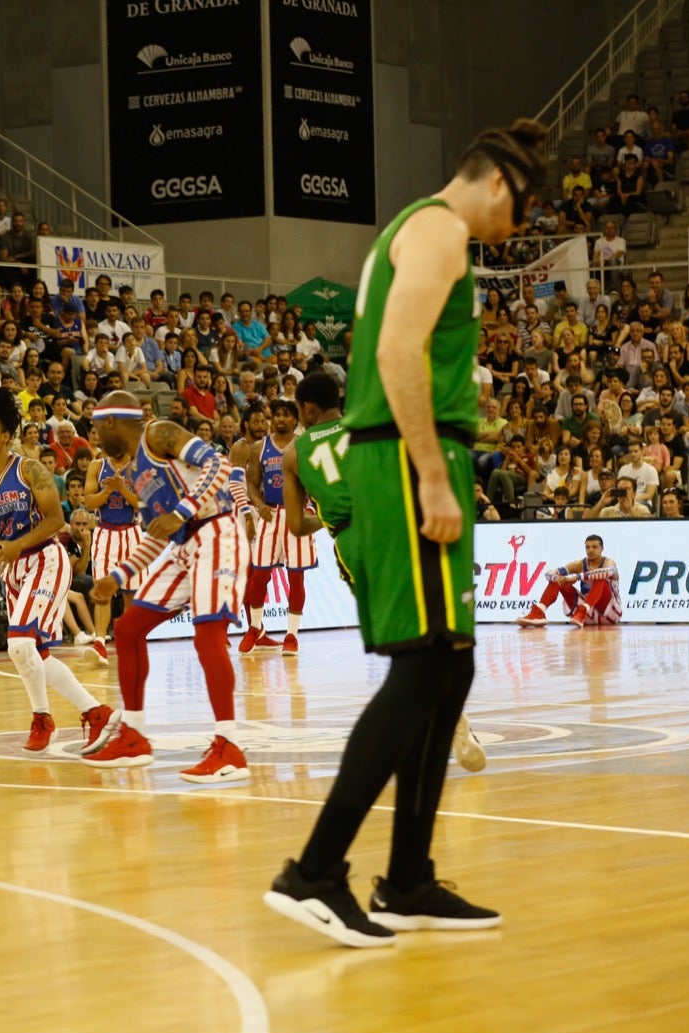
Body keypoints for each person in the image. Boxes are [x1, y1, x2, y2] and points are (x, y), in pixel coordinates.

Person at [262, 119, 545, 947]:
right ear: (498, 182)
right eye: (521, 210)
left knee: (449, 670)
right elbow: (396, 352)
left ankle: (410, 880)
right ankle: (315, 870)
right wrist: (429, 467)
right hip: (401, 465)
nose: (516, 230)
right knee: (421, 672)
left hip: (422, 454)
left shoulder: (424, 230)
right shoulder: (438, 227)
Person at [279, 372, 485, 774]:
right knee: (431, 627)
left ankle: (446, 726)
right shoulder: (369, 422)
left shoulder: (293, 454)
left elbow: (296, 527)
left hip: (355, 543)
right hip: (399, 523)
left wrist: (329, 517)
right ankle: (448, 721)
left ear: (306, 409)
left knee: (401, 643)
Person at [0, 386, 112, 751]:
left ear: (5, 436)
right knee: (35, 655)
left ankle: (43, 717)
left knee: (18, 644)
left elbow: (55, 519)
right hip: (12, 570)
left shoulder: (28, 468)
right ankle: (96, 714)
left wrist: (17, 543)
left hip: (46, 557)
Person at [82, 390, 247, 783]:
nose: (95, 437)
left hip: (216, 533)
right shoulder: (136, 471)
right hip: (183, 544)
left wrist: (181, 512)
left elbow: (219, 464)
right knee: (127, 628)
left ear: (110, 422)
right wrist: (118, 577)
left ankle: (229, 747)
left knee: (207, 637)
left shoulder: (158, 434)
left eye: (95, 428)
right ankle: (134, 735)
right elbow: (158, 533)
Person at [240, 398, 319, 654]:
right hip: (270, 515)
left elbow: (315, 481)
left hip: (297, 515)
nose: (281, 419)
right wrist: (258, 503)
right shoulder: (259, 448)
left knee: (296, 577)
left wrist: (312, 507)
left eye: (286, 415)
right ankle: (254, 628)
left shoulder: (305, 445)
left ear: (295, 419)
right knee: (259, 576)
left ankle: (291, 635)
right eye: (277, 415)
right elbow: (252, 482)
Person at [80, 444, 140, 666]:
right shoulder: (97, 466)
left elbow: (143, 504)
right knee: (103, 591)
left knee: (131, 594)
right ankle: (99, 643)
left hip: (132, 532)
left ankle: (131, 643)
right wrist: (108, 490)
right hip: (105, 532)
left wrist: (122, 489)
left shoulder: (139, 466)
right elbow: (89, 502)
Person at [517, 533, 622, 628]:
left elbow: (606, 572)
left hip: (609, 612)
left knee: (600, 578)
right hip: (584, 616)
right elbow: (549, 574)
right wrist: (559, 578)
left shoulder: (609, 562)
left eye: (594, 547)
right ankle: (539, 612)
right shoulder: (579, 564)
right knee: (558, 580)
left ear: (602, 549)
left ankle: (583, 609)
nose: (590, 550)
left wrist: (576, 577)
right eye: (588, 547)